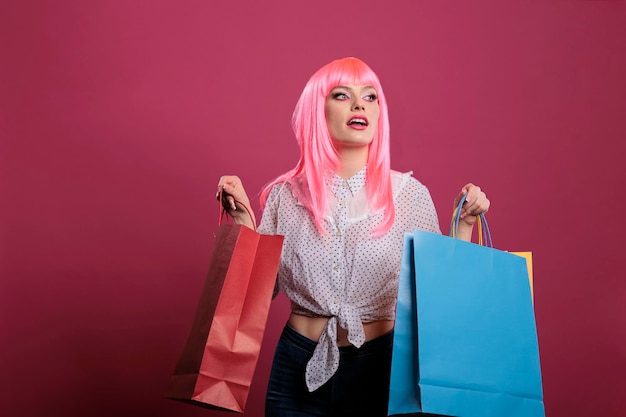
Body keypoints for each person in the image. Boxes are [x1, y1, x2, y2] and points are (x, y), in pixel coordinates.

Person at [217, 57, 489, 417]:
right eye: (342, 95)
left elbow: (440, 295)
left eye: (371, 97)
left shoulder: (409, 195)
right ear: (319, 110)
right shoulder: (286, 195)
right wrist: (242, 224)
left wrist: (464, 226)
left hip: (383, 370)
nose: (360, 104)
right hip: (296, 365)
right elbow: (256, 295)